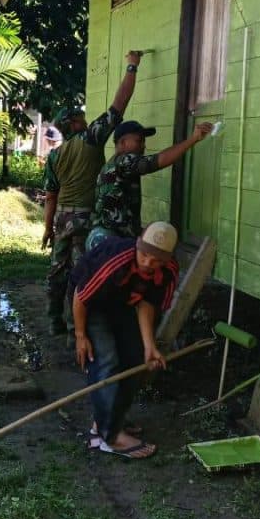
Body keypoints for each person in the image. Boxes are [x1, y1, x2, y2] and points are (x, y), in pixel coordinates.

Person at [42, 51, 142, 336]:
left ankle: (54, 320)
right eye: (81, 117)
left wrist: (48, 228)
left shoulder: (54, 156)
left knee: (57, 268)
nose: (85, 119)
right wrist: (132, 67)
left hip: (62, 218)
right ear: (74, 123)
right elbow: (118, 107)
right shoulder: (91, 139)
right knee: (82, 269)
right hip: (88, 217)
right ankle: (78, 324)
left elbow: (50, 195)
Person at [70, 221, 181, 459]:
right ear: (138, 246)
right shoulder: (116, 261)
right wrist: (80, 335)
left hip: (124, 304)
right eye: (144, 254)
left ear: (167, 259)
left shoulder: (168, 272)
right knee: (105, 360)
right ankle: (110, 437)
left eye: (156, 260)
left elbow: (146, 303)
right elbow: (81, 296)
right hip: (91, 304)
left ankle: (109, 419)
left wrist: (149, 346)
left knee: (134, 359)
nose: (147, 263)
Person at [87, 118, 213, 250]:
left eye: (143, 141)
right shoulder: (124, 161)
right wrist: (193, 139)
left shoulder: (115, 165)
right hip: (109, 241)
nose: (143, 146)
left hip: (110, 238)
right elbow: (157, 161)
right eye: (138, 141)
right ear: (122, 143)